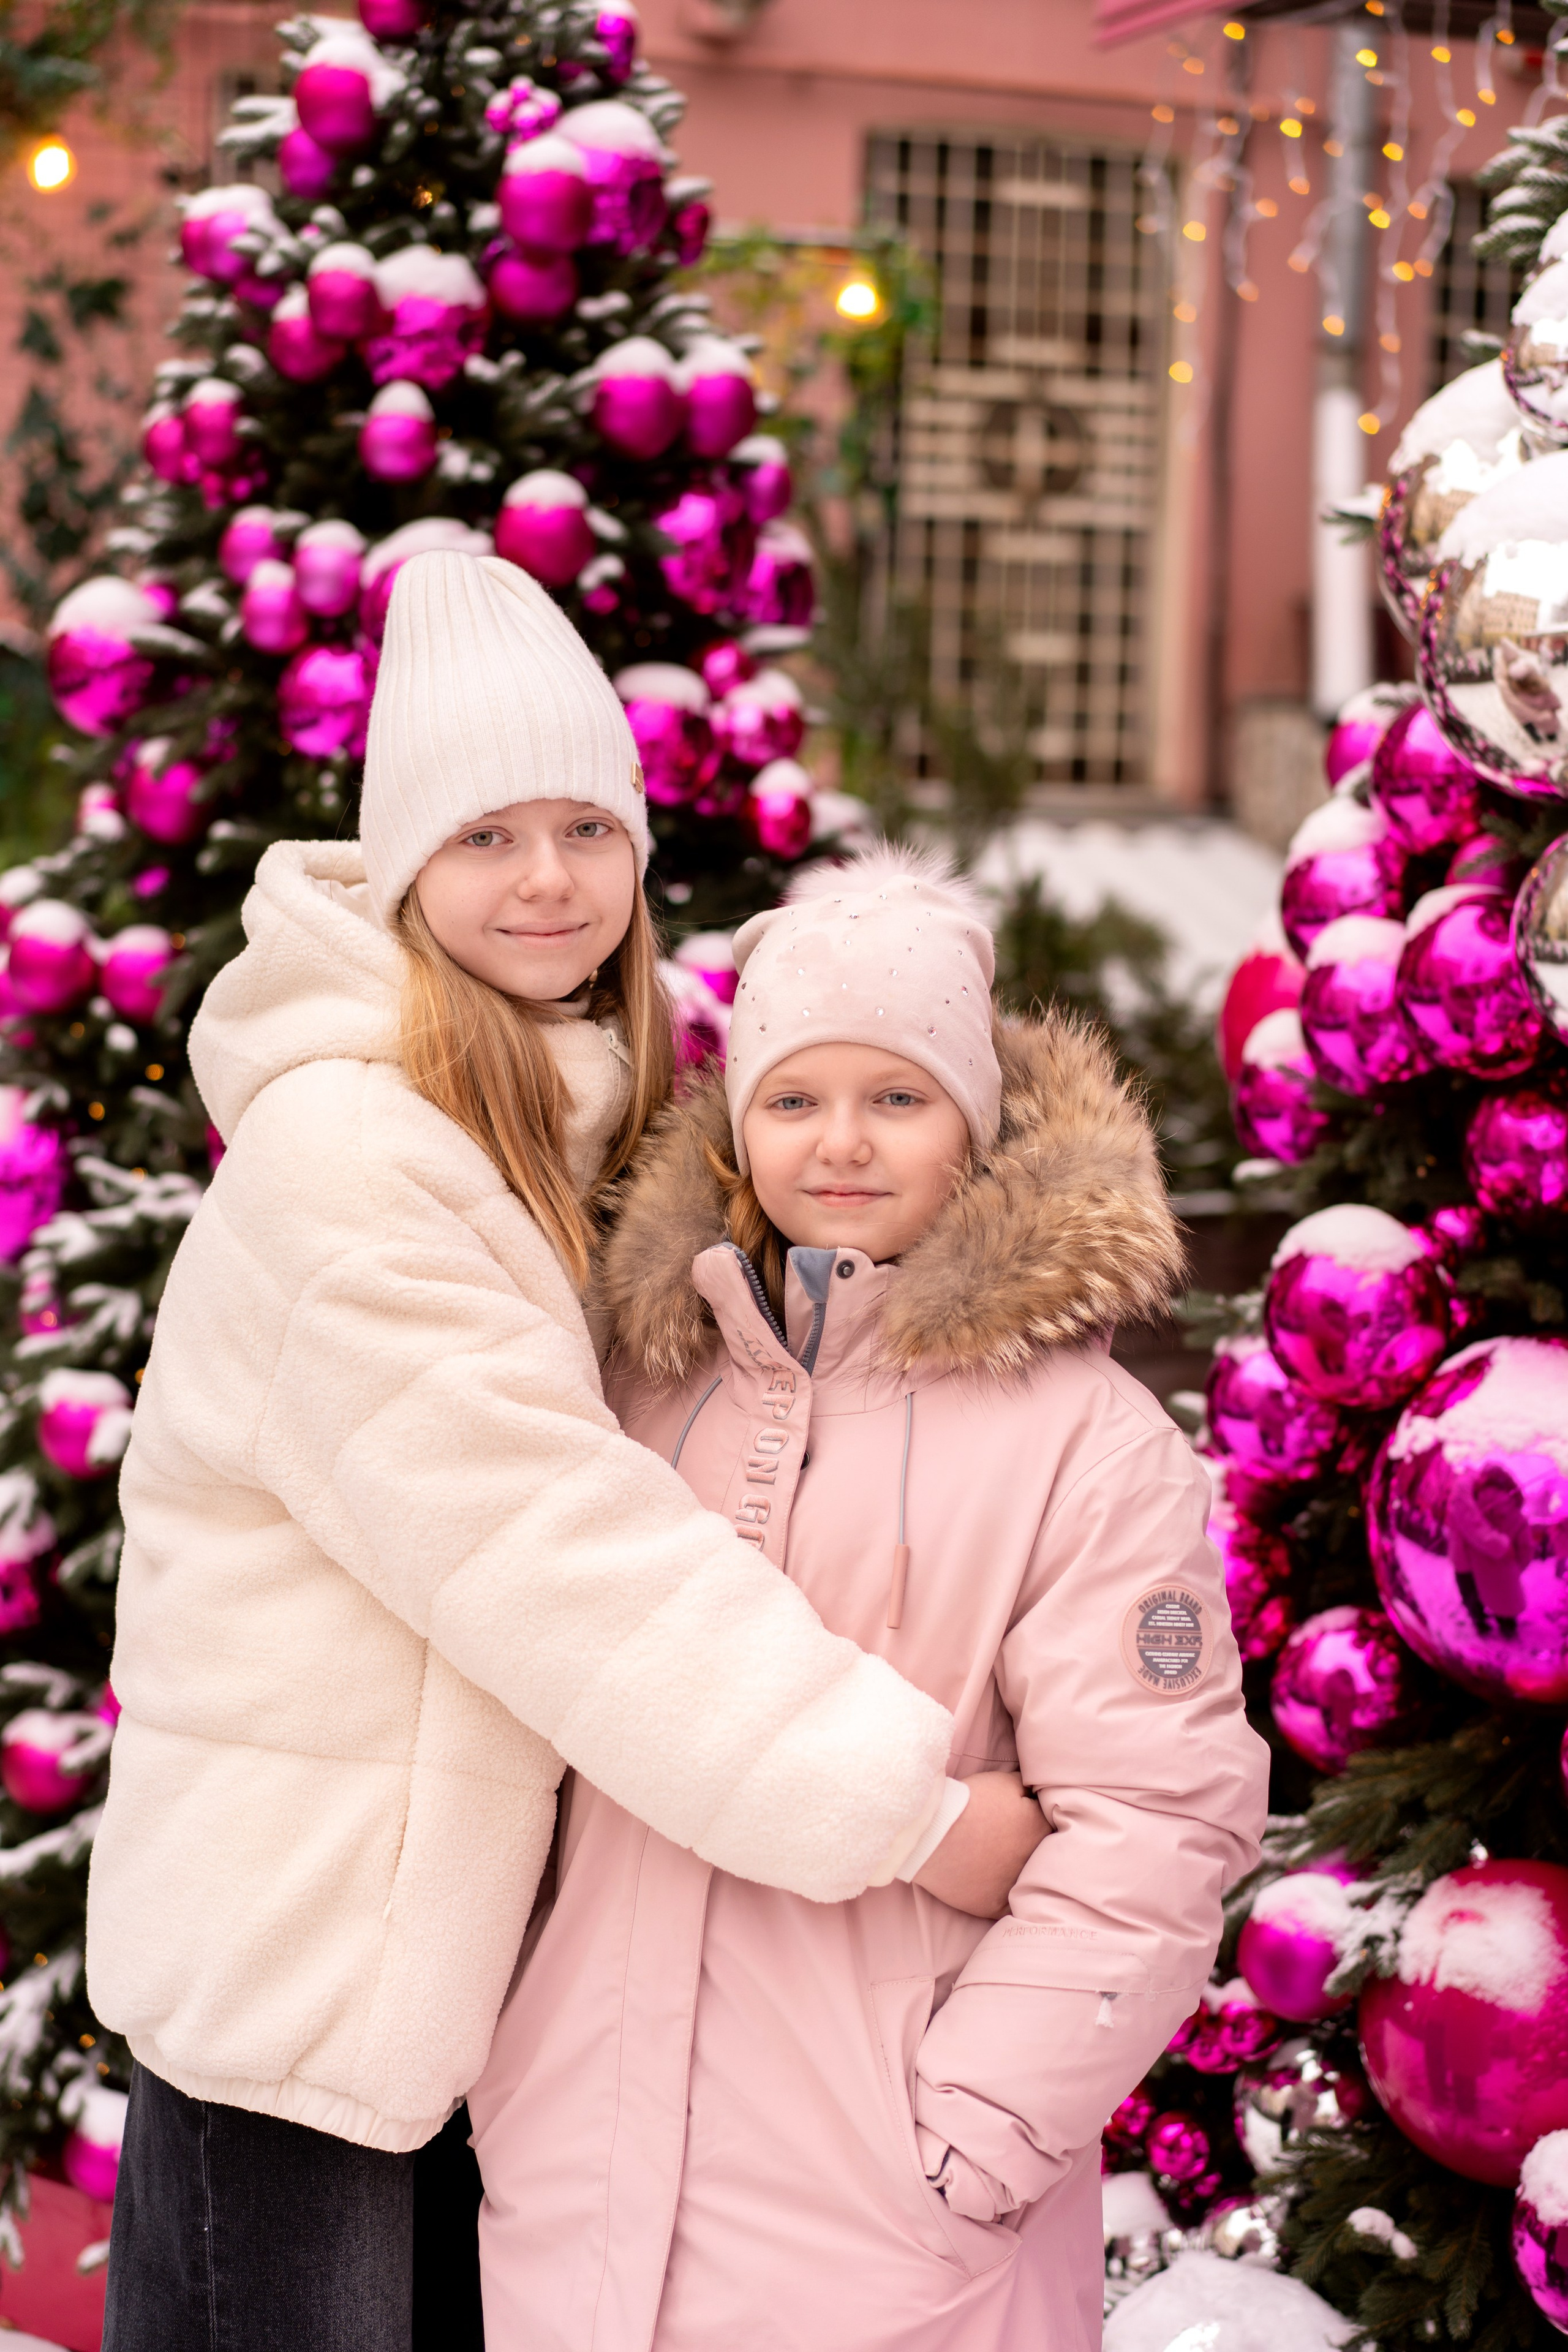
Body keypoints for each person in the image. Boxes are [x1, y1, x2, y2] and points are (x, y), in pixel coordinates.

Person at [87, 559, 1042, 2352]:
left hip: (456, 1989)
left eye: (586, 829)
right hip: (305, 1998)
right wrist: (907, 1808)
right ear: (404, 872)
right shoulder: (351, 1166)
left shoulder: (568, 1129)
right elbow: (558, 1552)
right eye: (487, 837)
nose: (547, 880)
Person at [471, 847, 1271, 2352]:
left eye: (896, 1096)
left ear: (972, 1118)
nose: (840, 1142)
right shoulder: (640, 1385)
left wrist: (975, 2133)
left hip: (892, 2221)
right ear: (738, 1123)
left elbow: (1158, 1824)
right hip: (573, 2183)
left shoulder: (1083, 1445)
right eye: (793, 1099)